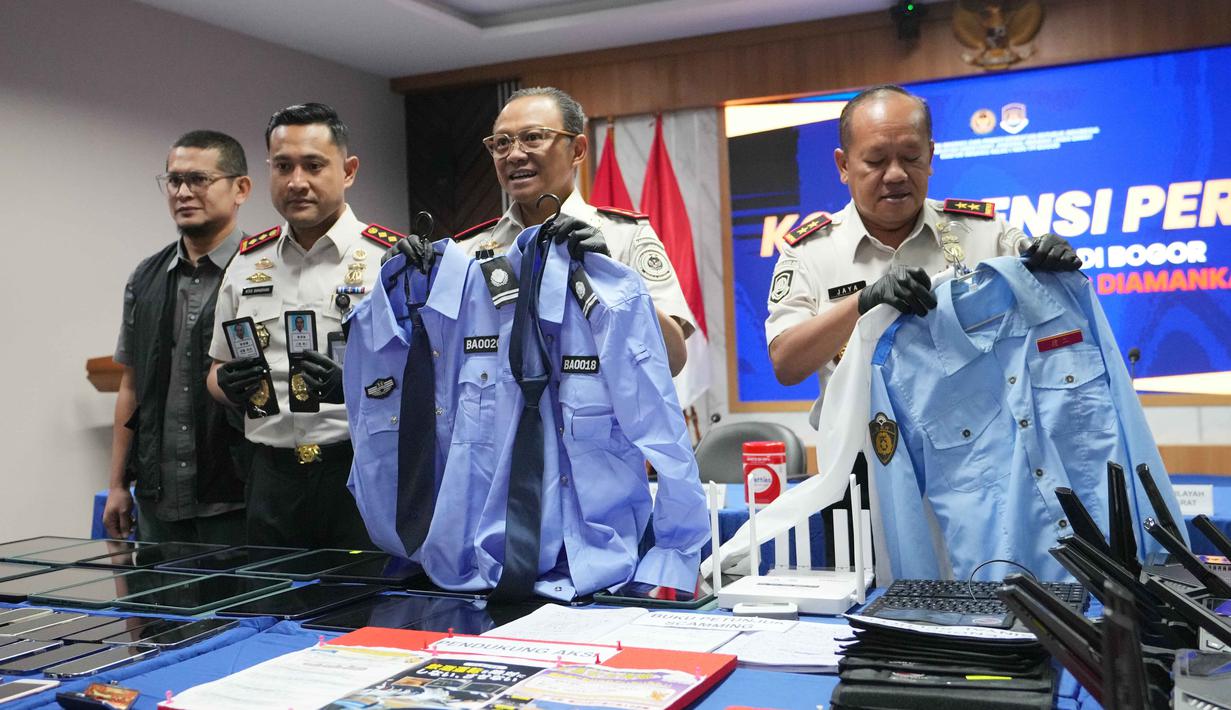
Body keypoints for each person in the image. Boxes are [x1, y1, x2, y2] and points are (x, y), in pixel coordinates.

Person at [765, 84, 1081, 425]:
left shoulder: (985, 232)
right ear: (843, 165)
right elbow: (786, 364)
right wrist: (863, 304)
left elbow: (1053, 324)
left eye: (911, 157)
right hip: (863, 459)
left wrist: (1055, 265)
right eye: (876, 161)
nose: (897, 174)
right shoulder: (811, 252)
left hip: (980, 456)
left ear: (930, 156)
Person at [207, 103, 401, 549]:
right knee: (268, 611)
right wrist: (227, 386)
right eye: (283, 166)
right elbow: (214, 373)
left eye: (314, 165)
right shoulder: (246, 261)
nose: (297, 181)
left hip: (361, 471)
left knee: (362, 610)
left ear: (348, 171)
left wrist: (355, 385)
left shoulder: (390, 259)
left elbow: (431, 378)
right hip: (270, 478)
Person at [404, 87, 696, 376]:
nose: (514, 155)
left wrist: (608, 277)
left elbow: (671, 361)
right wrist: (408, 283)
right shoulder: (466, 251)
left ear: (577, 150)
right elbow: (437, 355)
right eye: (502, 143)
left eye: (532, 138)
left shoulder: (624, 238)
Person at [103, 130, 252, 544]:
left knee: (239, 609)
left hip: (238, 498)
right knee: (156, 608)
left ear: (240, 188)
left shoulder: (264, 270)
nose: (183, 192)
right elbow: (131, 385)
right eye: (174, 180)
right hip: (158, 502)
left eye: (199, 179)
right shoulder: (146, 276)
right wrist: (117, 485)